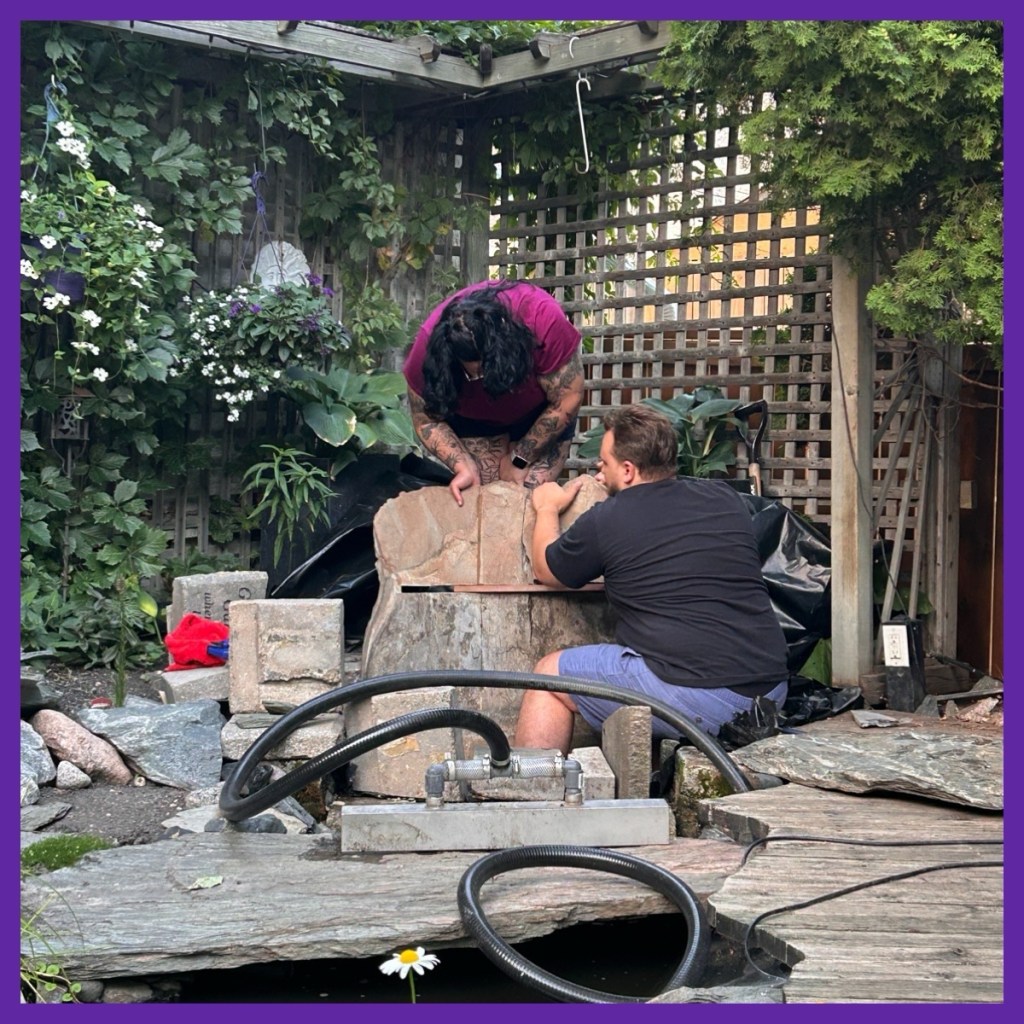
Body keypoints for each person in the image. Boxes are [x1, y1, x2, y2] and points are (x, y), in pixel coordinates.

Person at [513, 404, 790, 754]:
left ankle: (533, 782)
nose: (599, 469)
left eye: (605, 463)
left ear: (628, 470)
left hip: (701, 695)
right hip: (770, 691)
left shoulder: (609, 518)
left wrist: (547, 507)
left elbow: (546, 570)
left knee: (548, 678)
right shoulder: (726, 499)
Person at [403, 280, 584, 506]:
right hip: (475, 420)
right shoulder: (427, 350)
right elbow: (425, 419)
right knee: (489, 502)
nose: (479, 378)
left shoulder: (541, 319)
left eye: (485, 371)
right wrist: (463, 465)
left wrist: (520, 459)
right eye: (471, 374)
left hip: (542, 412)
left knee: (528, 501)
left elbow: (568, 397)